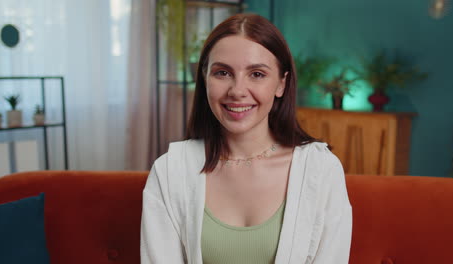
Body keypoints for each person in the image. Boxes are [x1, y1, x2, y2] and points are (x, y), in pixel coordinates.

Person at [141, 13, 352, 264]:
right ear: (204, 79)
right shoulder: (169, 171)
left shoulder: (322, 170)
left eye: (257, 74)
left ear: (281, 84)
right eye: (222, 73)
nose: (238, 91)